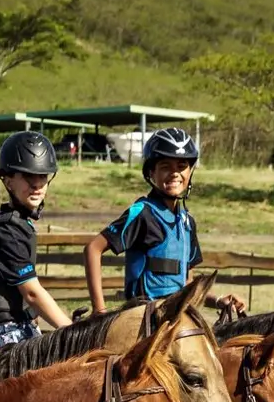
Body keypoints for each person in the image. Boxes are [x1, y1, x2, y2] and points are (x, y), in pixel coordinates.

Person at [84, 127, 244, 314]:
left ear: (190, 171)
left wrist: (218, 300)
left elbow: (187, 285)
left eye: (181, 166)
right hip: (141, 318)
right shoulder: (142, 213)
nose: (174, 173)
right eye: (165, 166)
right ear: (151, 172)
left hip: (176, 316)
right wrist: (99, 310)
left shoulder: (187, 223)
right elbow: (93, 249)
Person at [0, 130, 73, 347]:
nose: (37, 184)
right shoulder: (6, 230)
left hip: (22, 324)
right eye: (28, 176)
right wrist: (71, 330)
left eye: (42, 176)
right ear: (7, 181)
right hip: (4, 331)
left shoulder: (20, 224)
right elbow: (32, 293)